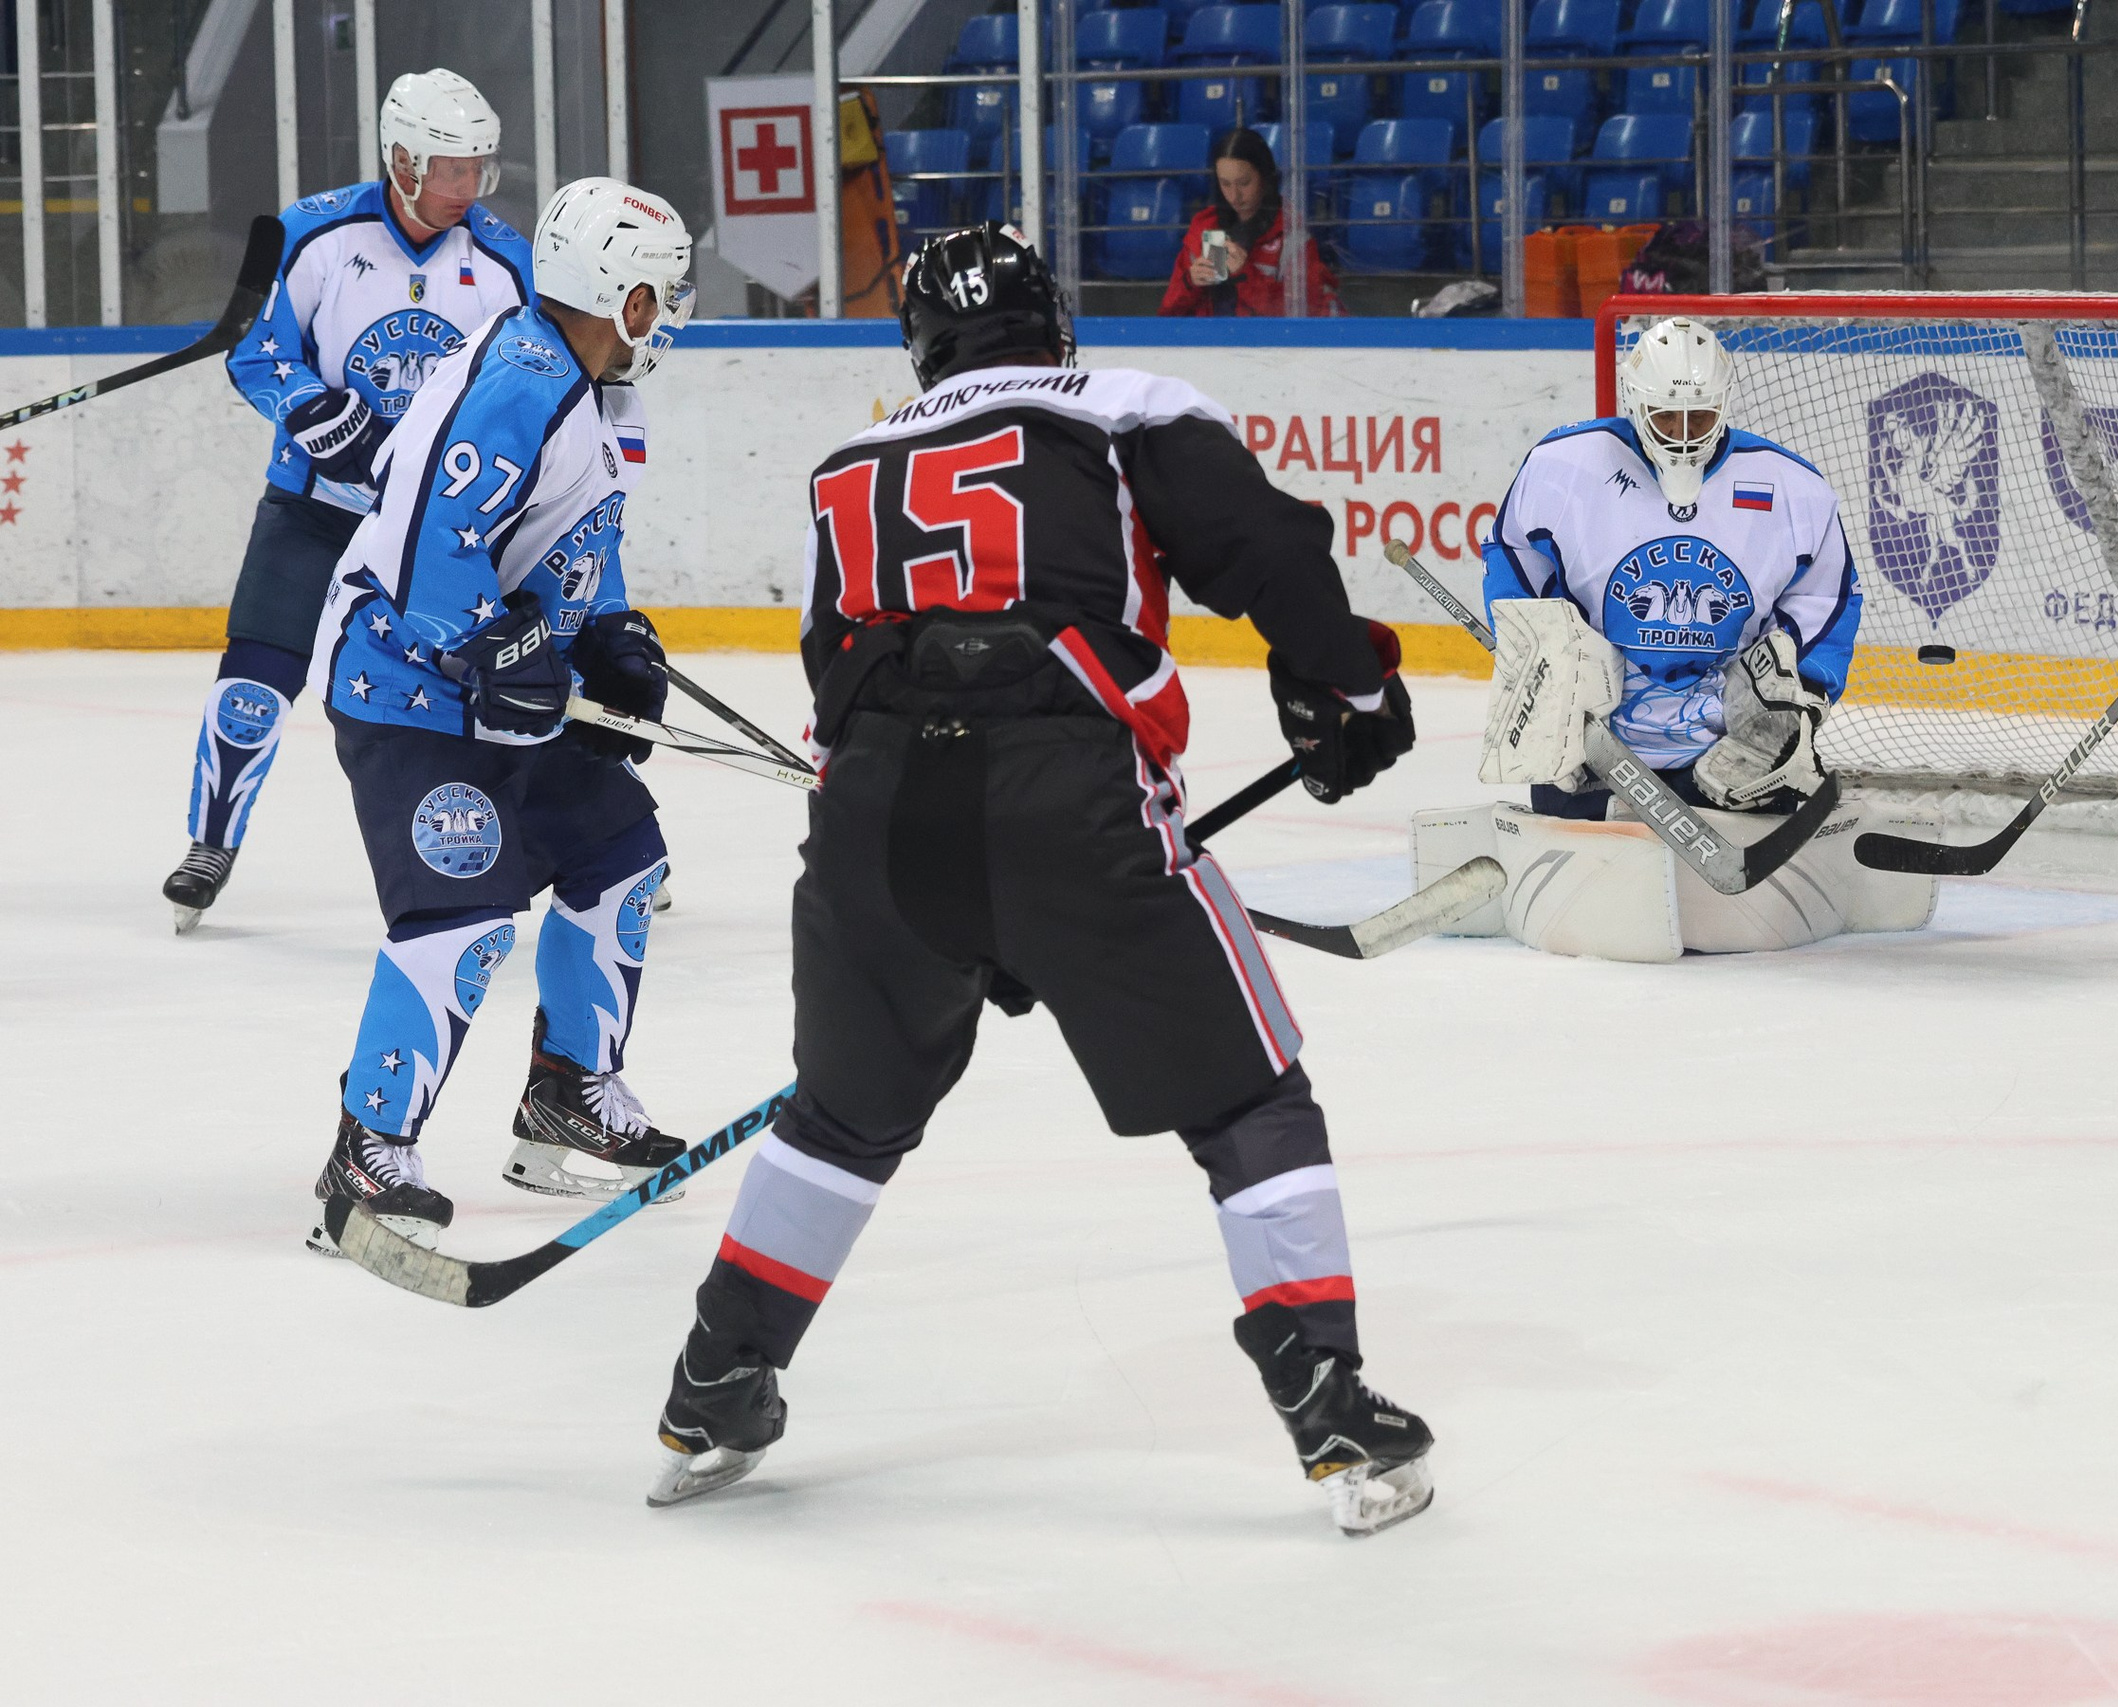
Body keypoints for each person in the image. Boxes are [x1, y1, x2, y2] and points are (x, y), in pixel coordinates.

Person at [646, 224, 1433, 1538]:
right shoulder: (1122, 406)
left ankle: (718, 1376)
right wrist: (1346, 682)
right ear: (1048, 319)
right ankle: (1328, 1398)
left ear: (922, 346)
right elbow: (1274, 552)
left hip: (877, 818)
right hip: (1072, 804)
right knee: (1250, 1096)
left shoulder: (854, 460)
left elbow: (829, 668)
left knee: (844, 1114)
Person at [303, 177, 699, 1257]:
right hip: (409, 691)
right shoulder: (519, 385)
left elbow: (580, 534)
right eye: (658, 293)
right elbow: (435, 546)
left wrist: (608, 637)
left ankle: (568, 1088)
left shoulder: (579, 380)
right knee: (462, 914)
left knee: (623, 852)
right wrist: (492, 640)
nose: (669, 310)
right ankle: (365, 1150)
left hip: (494, 692)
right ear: (616, 298)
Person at [162, 69, 533, 932]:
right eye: (449, 169)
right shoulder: (316, 232)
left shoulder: (505, 259)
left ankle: (598, 829)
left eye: (478, 168)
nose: (466, 188)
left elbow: (532, 384)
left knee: (524, 675)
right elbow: (255, 353)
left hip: (441, 525)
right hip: (315, 503)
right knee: (256, 674)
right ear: (400, 159)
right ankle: (211, 839)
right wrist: (311, 408)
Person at [1435, 317, 1933, 960]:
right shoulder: (1565, 466)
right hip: (1590, 735)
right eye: (1668, 418)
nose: (1684, 434)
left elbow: (1827, 599)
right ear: (1635, 402)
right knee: (1590, 930)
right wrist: (1550, 660)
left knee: (1727, 931)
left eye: (1700, 417)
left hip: (1722, 744)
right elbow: (1513, 555)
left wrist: (1793, 696)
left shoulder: (1791, 487)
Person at [1158, 128, 1340, 317]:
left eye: (1244, 183)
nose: (1234, 195)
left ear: (1265, 178)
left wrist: (1246, 275)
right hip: (1212, 342)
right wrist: (1190, 282)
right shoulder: (1204, 227)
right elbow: (1168, 314)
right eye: (1225, 184)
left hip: (1266, 344)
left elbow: (1304, 313)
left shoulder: (1291, 234)